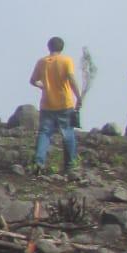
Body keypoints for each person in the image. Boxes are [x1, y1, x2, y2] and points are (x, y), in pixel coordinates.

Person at [30, 36, 83, 174]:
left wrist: (43, 86)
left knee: (45, 133)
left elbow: (33, 81)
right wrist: (79, 96)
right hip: (65, 103)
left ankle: (38, 163)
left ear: (49, 47)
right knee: (68, 133)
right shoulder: (66, 60)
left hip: (47, 104)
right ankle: (70, 165)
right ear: (62, 47)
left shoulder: (42, 62)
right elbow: (71, 78)